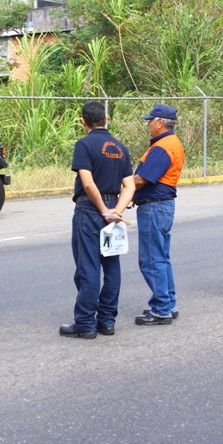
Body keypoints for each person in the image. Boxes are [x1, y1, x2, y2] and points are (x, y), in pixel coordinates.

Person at [60, 101, 135, 339]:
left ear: (83, 122)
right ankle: (107, 321)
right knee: (112, 267)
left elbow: (88, 182)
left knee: (88, 268)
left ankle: (85, 324)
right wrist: (116, 211)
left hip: (91, 211)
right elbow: (129, 185)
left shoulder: (84, 144)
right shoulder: (120, 147)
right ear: (106, 119)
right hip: (113, 209)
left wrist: (102, 209)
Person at [132, 104, 185, 325]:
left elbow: (141, 179)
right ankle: (168, 304)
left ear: (160, 122)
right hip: (161, 206)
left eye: (151, 121)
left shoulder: (163, 146)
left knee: (151, 259)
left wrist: (121, 187)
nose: (148, 125)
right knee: (161, 258)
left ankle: (162, 308)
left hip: (154, 206)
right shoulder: (171, 143)